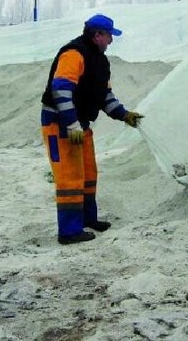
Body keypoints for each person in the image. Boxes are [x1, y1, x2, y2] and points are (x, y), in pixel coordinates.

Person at [40, 14, 143, 245]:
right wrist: (71, 123)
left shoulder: (100, 61)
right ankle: (69, 231)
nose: (110, 41)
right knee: (70, 178)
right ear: (97, 35)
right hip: (60, 123)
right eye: (108, 36)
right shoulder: (73, 54)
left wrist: (124, 114)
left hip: (81, 124)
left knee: (88, 173)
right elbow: (61, 90)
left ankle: (88, 219)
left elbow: (104, 96)